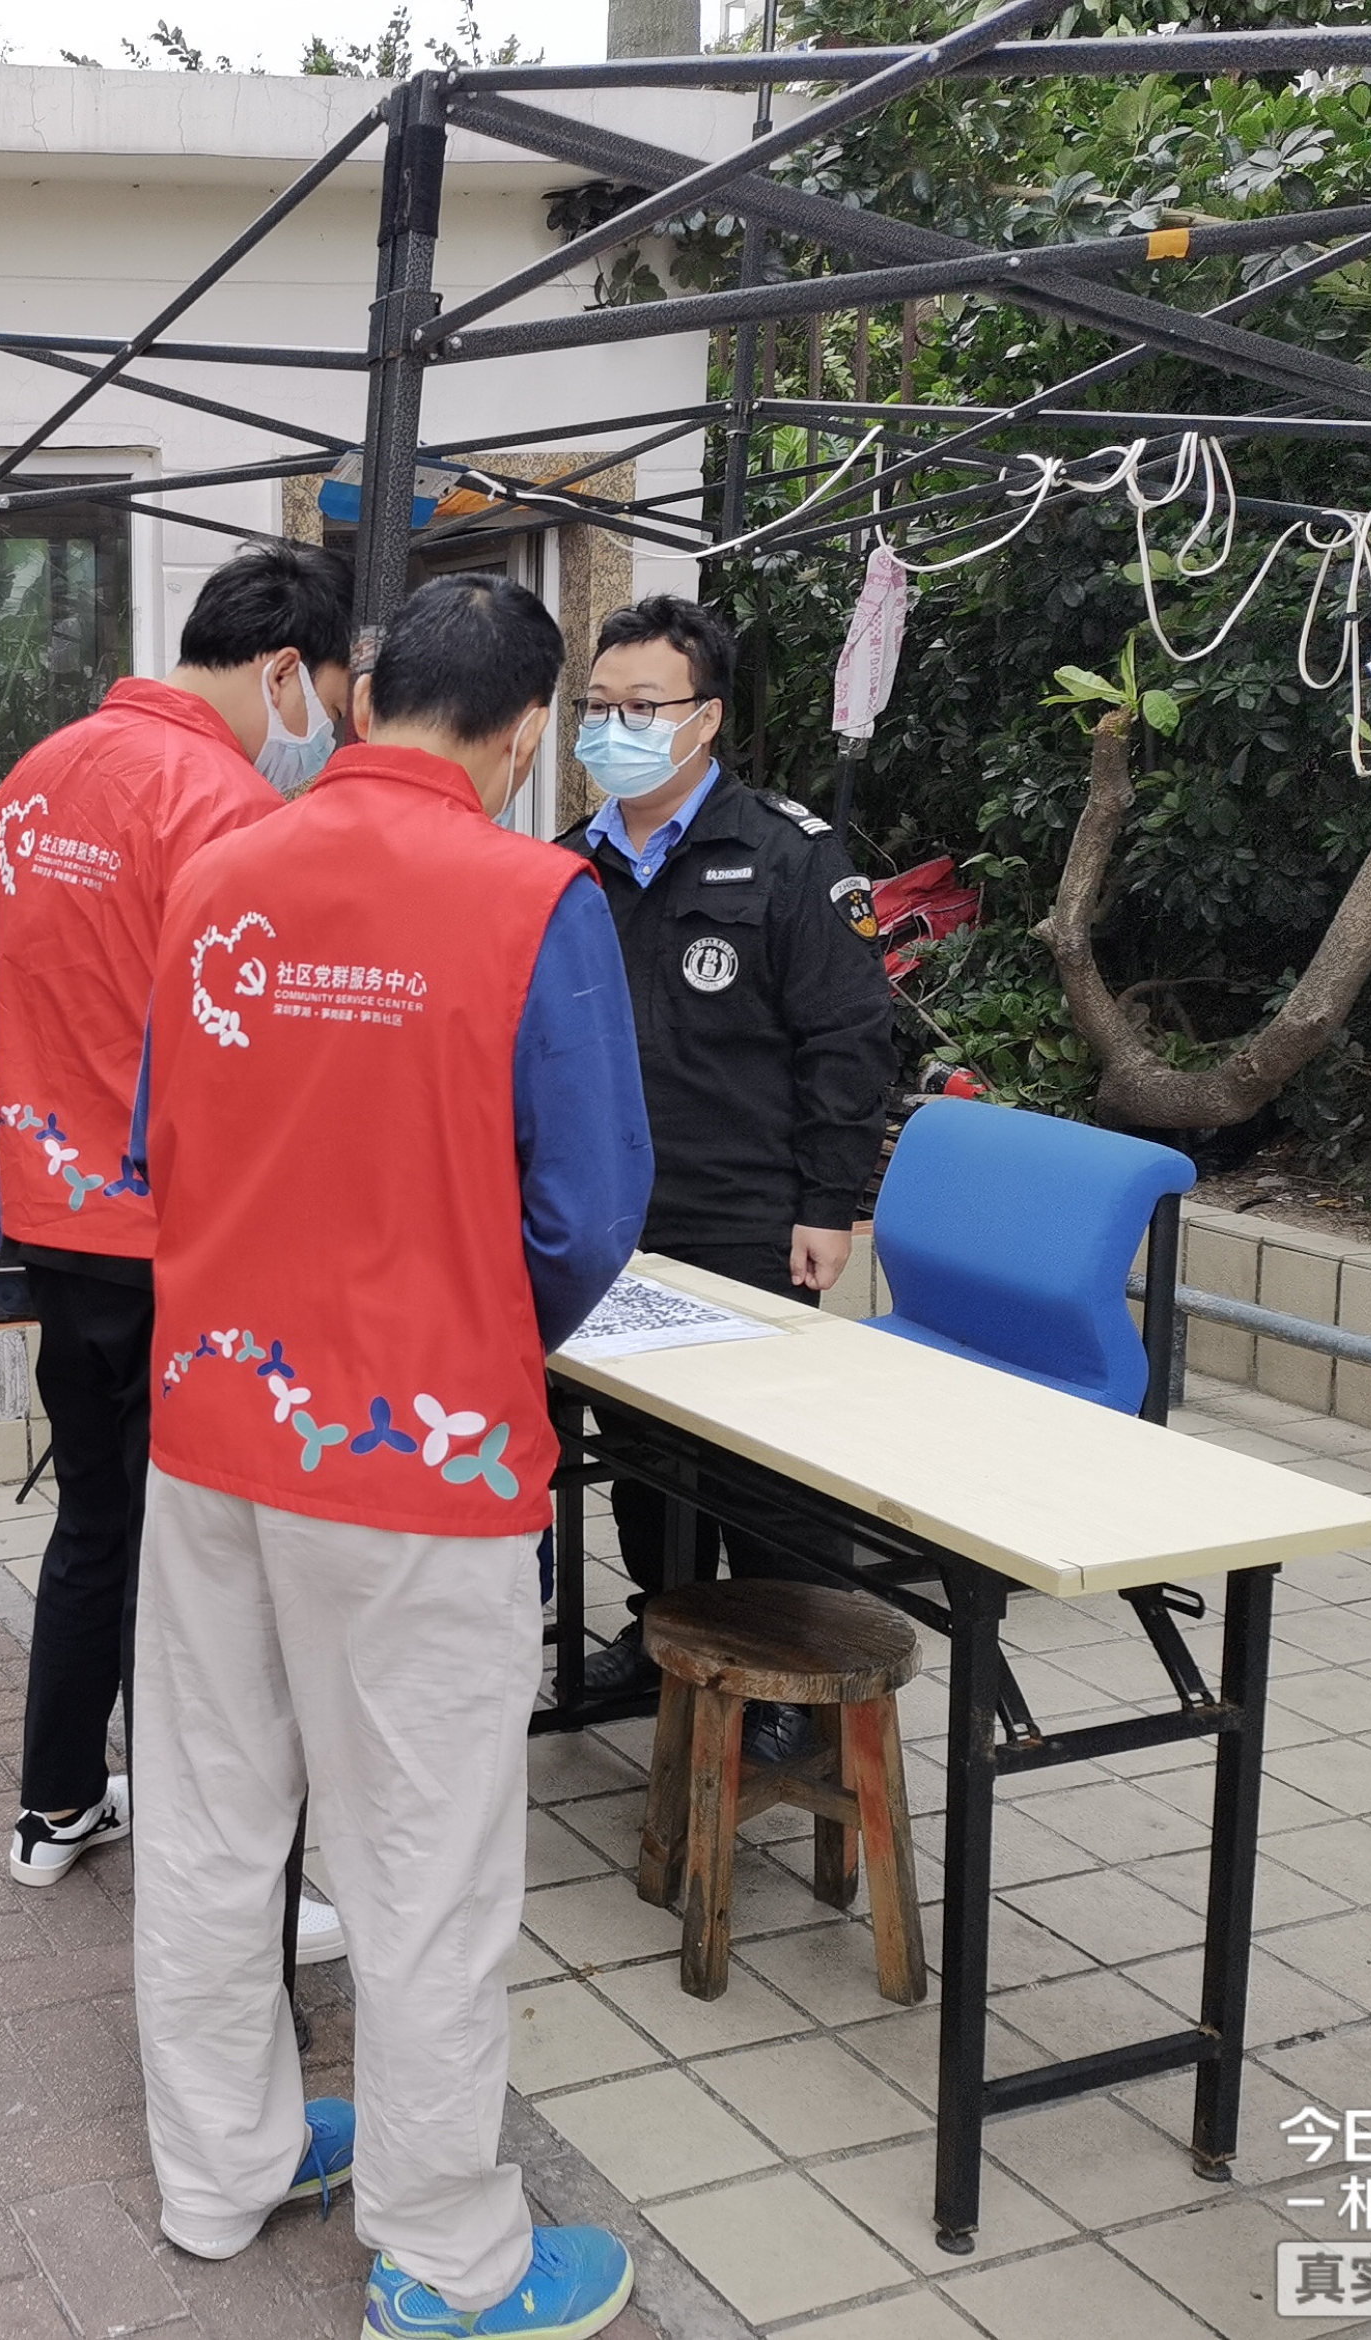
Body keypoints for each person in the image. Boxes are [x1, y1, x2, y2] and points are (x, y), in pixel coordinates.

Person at [133, 574, 652, 2339]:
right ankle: (446, 2254)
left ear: (358, 700)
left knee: (212, 1816)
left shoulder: (219, 874)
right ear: (529, 733)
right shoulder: (536, 900)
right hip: (422, 1456)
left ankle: (221, 2169)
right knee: (425, 1861)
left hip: (214, 1427)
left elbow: (162, 1144)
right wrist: (467, 1326)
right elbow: (587, 1217)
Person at [0, 541, 355, 1912]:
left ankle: (56, 1803)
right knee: (198, 1565)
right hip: (177, 1238)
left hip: (51, 1214)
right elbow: (246, 1050)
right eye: (325, 699)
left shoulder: (34, 777)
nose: (320, 731)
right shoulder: (226, 805)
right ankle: (216, 1878)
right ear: (283, 669)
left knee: (96, 1519)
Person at [559, 595, 895, 1760]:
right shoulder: (570, 866)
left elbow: (850, 1038)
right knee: (643, 1455)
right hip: (616, 1218)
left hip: (749, 1214)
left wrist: (829, 1203)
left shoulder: (789, 856)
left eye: (641, 707)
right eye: (597, 707)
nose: (613, 729)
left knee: (762, 1468)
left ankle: (798, 1678)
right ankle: (666, 1627)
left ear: (704, 718)